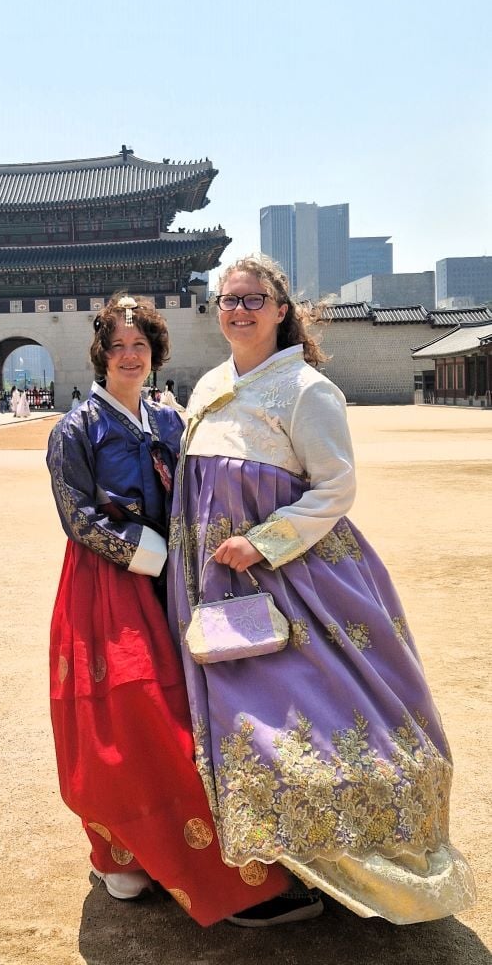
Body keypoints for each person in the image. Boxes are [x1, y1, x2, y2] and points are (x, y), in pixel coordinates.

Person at [167, 254, 476, 926]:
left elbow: (335, 487)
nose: (239, 310)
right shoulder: (208, 385)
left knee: (310, 723)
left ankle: (332, 877)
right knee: (228, 721)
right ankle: (261, 870)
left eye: (253, 299)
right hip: (210, 581)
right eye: (228, 299)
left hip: (295, 581)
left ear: (282, 311)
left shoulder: (307, 390)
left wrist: (264, 542)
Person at [46, 294, 290, 928]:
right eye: (119, 346)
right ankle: (121, 849)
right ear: (101, 354)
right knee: (130, 716)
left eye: (141, 346)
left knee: (193, 702)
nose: (130, 356)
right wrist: (143, 552)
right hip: (109, 584)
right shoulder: (75, 428)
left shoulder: (170, 418)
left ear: (155, 354)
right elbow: (78, 516)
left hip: (178, 576)